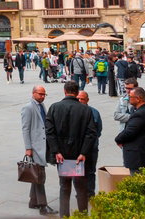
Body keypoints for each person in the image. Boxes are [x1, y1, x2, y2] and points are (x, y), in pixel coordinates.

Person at [45, 80, 98, 218]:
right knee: (81, 187)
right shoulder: (85, 109)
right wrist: (83, 152)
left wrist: (56, 151)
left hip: (61, 155)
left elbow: (49, 132)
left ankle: (65, 216)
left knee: (64, 187)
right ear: (76, 92)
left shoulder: (54, 107)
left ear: (64, 91)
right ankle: (82, 215)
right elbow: (91, 133)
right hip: (78, 155)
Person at [21, 86, 55, 216]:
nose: (42, 96)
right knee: (40, 176)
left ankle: (33, 201)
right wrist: (28, 148)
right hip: (35, 147)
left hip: (42, 145)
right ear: (33, 93)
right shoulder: (28, 107)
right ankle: (42, 205)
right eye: (40, 94)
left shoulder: (41, 106)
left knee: (36, 173)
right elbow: (25, 129)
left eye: (44, 94)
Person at [114, 87, 145, 175]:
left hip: (139, 158)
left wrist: (118, 139)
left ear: (138, 99)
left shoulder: (140, 114)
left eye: (130, 97)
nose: (128, 98)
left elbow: (129, 132)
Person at [77, 91, 102, 199]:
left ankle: (90, 193)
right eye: (78, 99)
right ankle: (80, 193)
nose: (80, 101)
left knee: (91, 171)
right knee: (78, 172)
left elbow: (99, 130)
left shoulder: (94, 112)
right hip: (77, 148)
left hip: (92, 147)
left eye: (82, 99)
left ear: (87, 100)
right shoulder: (74, 112)